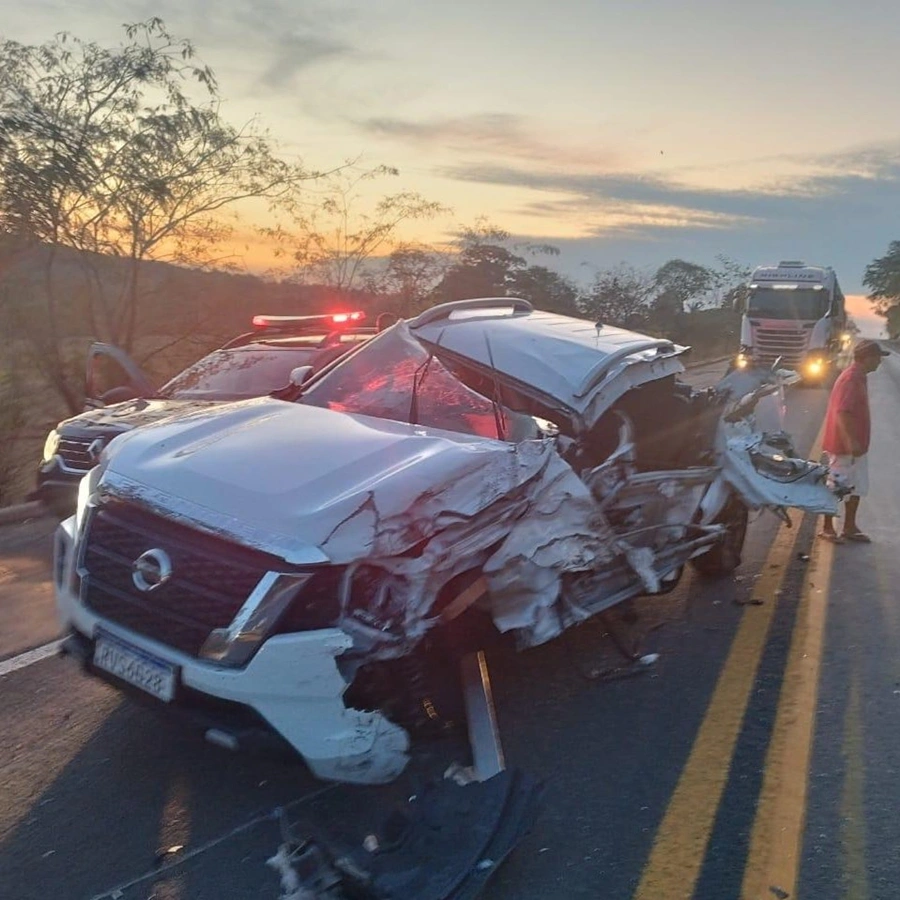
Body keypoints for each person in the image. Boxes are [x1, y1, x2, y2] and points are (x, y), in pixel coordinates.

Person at [819, 338, 889, 543]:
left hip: (853, 447)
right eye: (877, 358)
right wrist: (851, 442)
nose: (879, 362)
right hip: (844, 446)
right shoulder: (852, 378)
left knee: (856, 486)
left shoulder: (858, 376)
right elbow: (843, 412)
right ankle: (827, 527)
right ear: (867, 358)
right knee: (837, 485)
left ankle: (849, 526)